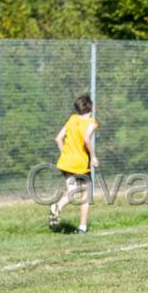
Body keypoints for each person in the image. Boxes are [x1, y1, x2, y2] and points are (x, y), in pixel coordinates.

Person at [49, 94, 98, 233]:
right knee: (86, 194)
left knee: (72, 191)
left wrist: (65, 154)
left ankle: (57, 206)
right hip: (80, 163)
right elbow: (86, 139)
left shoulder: (72, 119)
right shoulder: (91, 123)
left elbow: (58, 139)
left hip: (66, 162)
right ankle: (82, 227)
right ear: (91, 107)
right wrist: (93, 157)